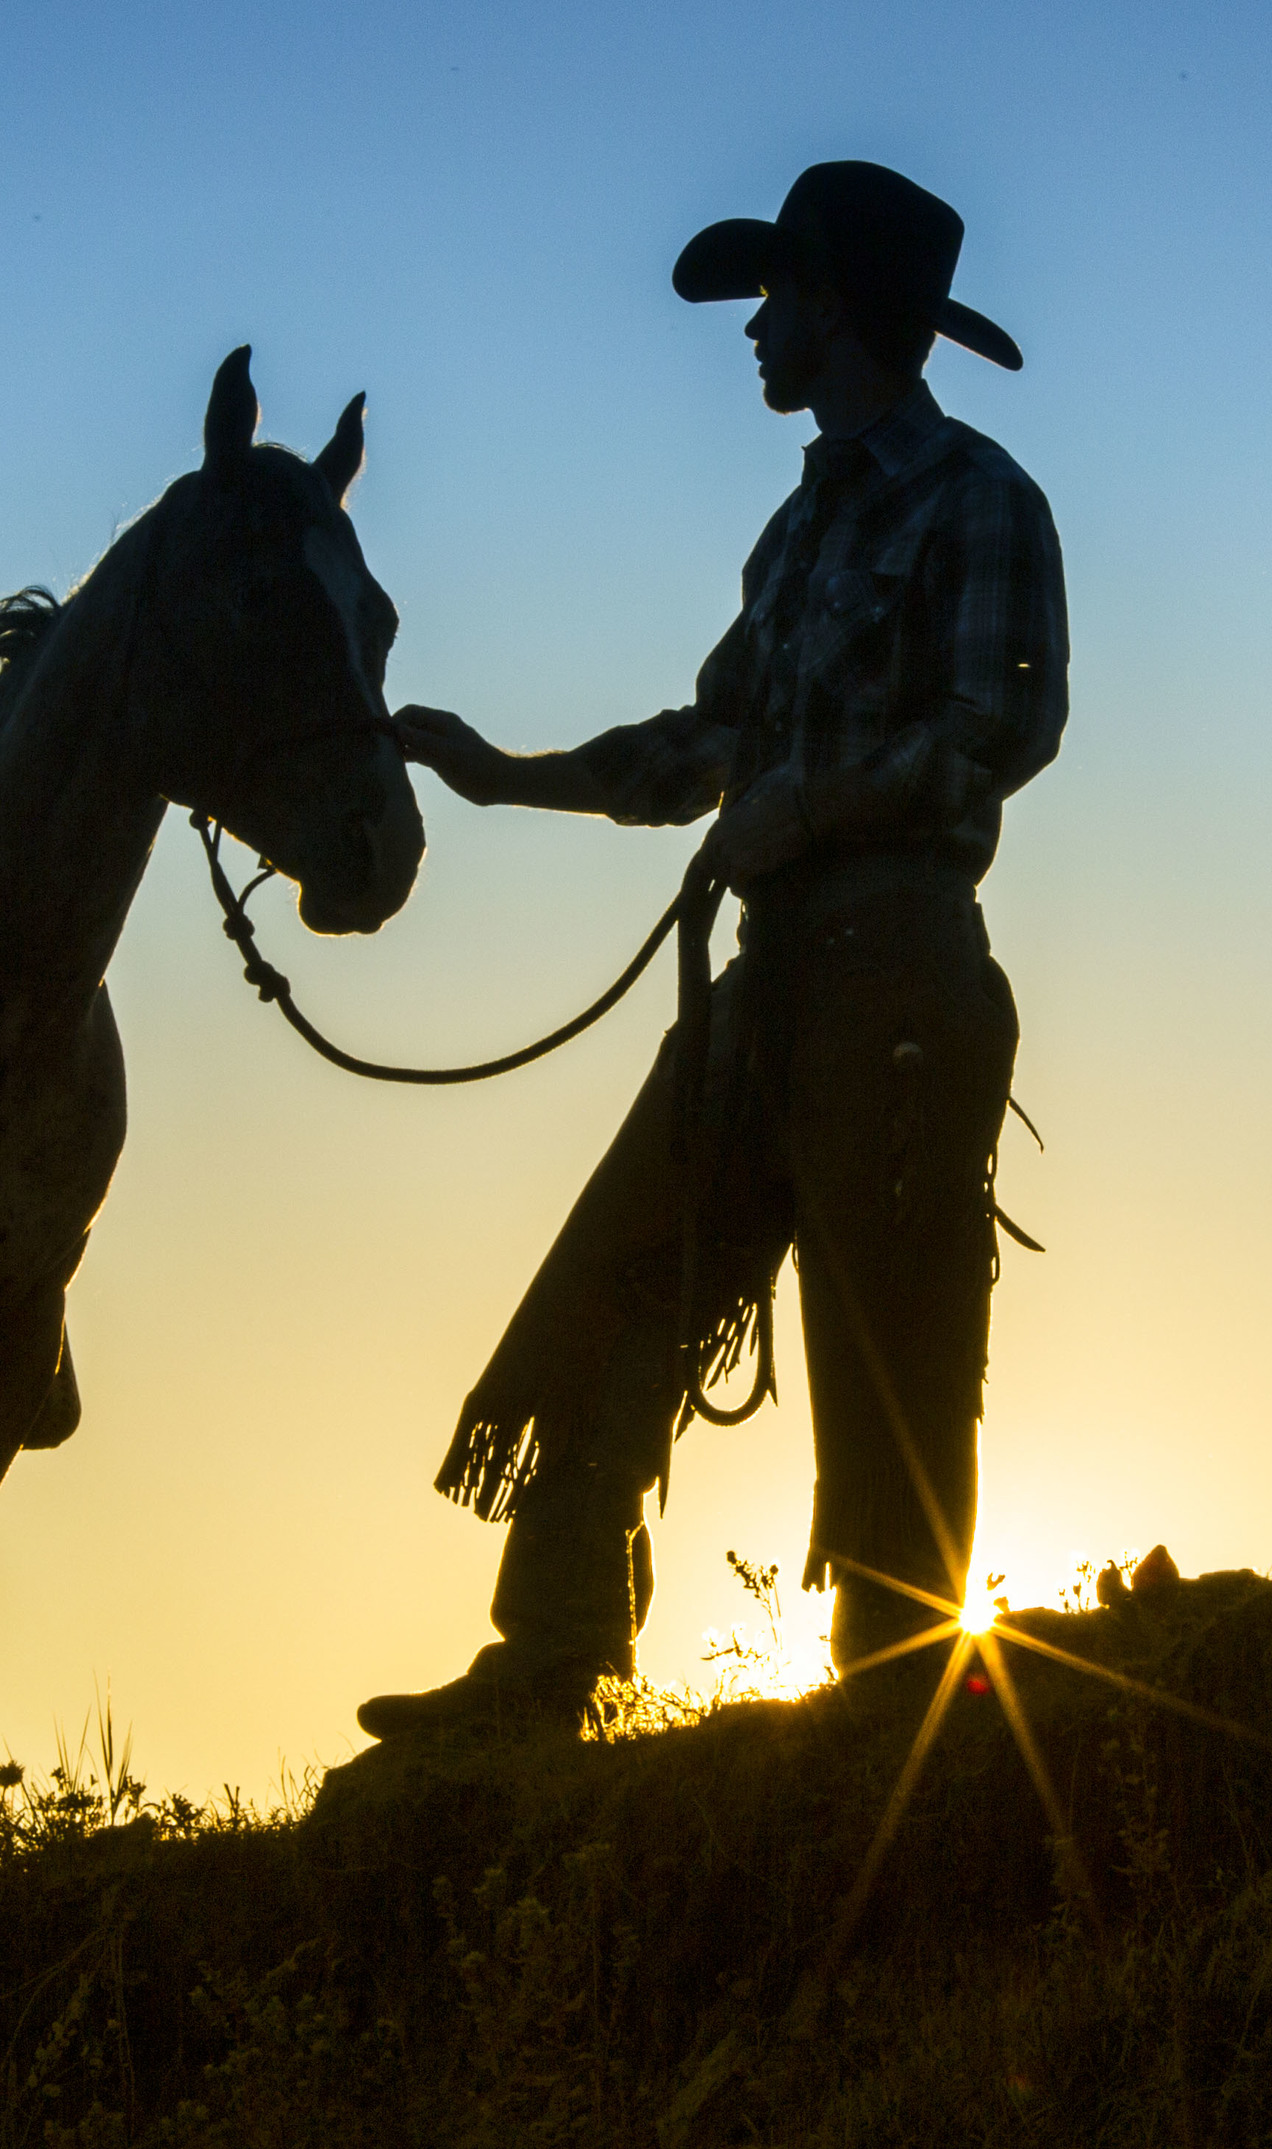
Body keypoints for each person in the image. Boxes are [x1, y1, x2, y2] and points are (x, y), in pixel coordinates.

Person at [361, 161, 1068, 1736]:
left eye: (775, 297)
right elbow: (705, 743)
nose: (753, 329)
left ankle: (891, 1682)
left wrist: (802, 811)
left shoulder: (981, 502)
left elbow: (1003, 728)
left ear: (836, 309)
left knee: (890, 1335)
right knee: (623, 1266)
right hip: (783, 972)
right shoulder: (799, 530)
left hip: (899, 971)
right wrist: (508, 775)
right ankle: (550, 1659)